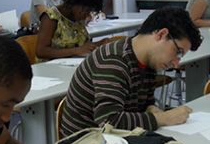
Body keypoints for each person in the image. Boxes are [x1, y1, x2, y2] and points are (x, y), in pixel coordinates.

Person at [60, 8, 202, 137]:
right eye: (177, 52)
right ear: (161, 34)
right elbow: (109, 121)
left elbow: (143, 105)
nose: (176, 63)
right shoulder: (114, 60)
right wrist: (162, 118)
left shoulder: (147, 61)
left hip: (116, 141)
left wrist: (152, 109)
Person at [35, 0, 104, 61]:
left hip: (73, 65)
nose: (87, 15)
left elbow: (83, 47)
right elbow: (41, 51)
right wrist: (76, 51)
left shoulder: (78, 19)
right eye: (86, 10)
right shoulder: (51, 17)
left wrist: (100, 44)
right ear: (75, 1)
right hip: (50, 69)